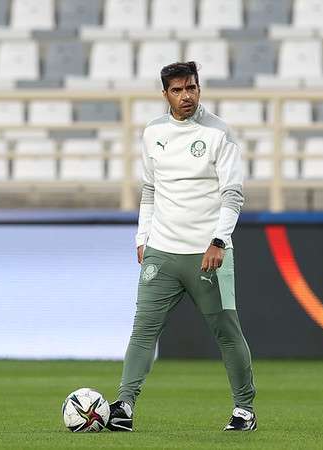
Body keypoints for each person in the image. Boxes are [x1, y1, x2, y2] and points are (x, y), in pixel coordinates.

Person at [107, 61, 256, 432]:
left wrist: (219, 240)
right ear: (165, 95)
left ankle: (244, 409)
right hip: (162, 251)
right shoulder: (153, 132)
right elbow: (150, 189)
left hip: (208, 253)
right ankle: (124, 405)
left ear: (199, 89)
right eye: (177, 90)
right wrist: (143, 238)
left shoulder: (220, 133)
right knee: (143, 330)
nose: (186, 96)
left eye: (191, 87)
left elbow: (233, 194)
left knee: (226, 331)